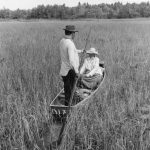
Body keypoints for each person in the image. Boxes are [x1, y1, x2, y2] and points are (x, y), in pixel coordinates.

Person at [59, 25, 83, 106]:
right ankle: (69, 105)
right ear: (72, 33)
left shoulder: (62, 41)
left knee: (67, 87)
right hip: (69, 69)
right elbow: (71, 60)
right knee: (69, 88)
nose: (74, 35)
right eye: (74, 33)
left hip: (64, 69)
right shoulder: (70, 44)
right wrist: (76, 71)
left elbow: (72, 51)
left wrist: (81, 51)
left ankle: (69, 102)